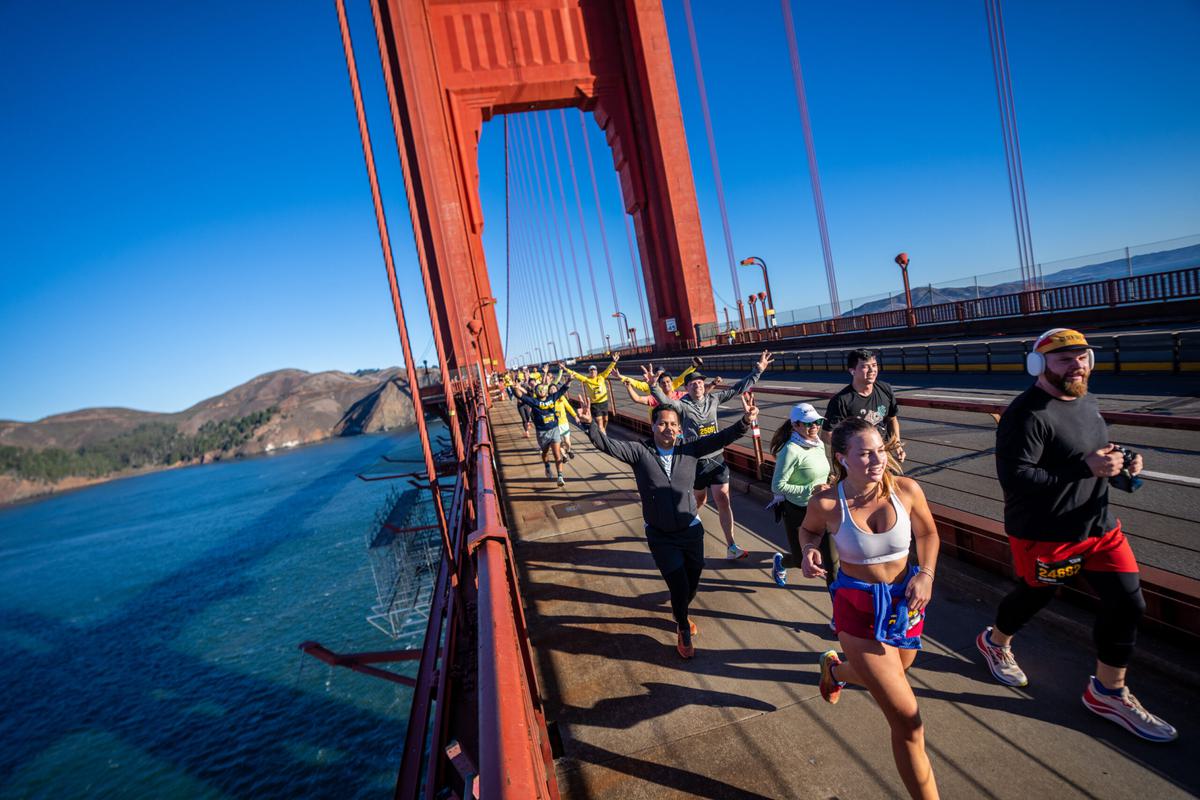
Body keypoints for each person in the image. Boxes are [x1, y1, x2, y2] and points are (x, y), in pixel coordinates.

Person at [976, 328, 1175, 742]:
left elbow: (1090, 455)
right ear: (1039, 364)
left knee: (1128, 603)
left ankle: (1107, 692)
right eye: (1064, 359)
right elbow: (1016, 478)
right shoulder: (1026, 415)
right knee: (1036, 594)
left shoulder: (1088, 401)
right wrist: (1084, 468)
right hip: (1048, 535)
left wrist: (1121, 465)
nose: (1076, 365)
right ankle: (995, 641)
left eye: (1082, 357)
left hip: (1099, 529)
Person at [800, 417, 940, 799]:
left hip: (905, 608)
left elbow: (927, 532)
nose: (877, 459)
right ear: (843, 458)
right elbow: (808, 529)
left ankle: (836, 670)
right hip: (857, 610)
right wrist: (809, 550)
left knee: (896, 669)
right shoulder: (828, 502)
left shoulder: (906, 490)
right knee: (908, 724)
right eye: (865, 453)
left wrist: (925, 574)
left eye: (880, 450)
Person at [577, 391, 759, 659]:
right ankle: (683, 627)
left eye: (673, 424)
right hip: (660, 535)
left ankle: (679, 609)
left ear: (679, 428)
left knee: (694, 577)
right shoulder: (640, 452)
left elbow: (722, 438)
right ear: (653, 426)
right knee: (678, 584)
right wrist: (588, 424)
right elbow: (608, 446)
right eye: (662, 423)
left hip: (691, 530)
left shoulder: (690, 449)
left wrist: (745, 421)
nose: (668, 428)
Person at [652, 351, 773, 560]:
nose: (697, 385)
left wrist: (757, 371)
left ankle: (731, 546)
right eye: (692, 384)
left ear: (704, 385)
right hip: (696, 462)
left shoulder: (714, 399)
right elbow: (666, 402)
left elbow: (738, 388)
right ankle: (681, 522)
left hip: (717, 459)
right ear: (686, 388)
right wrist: (653, 387)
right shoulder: (683, 406)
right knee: (699, 499)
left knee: (723, 499)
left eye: (700, 382)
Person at [767, 403, 831, 592]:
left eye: (818, 422)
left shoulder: (818, 443)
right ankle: (780, 562)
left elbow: (820, 472)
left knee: (831, 559)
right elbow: (777, 486)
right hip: (798, 510)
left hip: (822, 508)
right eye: (809, 424)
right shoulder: (790, 450)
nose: (815, 427)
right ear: (796, 426)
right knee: (798, 559)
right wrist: (811, 489)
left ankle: (839, 610)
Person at [822, 349, 905, 464]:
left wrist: (896, 444)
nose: (872, 370)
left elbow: (891, 418)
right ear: (852, 371)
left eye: (874, 365)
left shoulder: (885, 389)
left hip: (883, 453)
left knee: (892, 481)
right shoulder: (841, 400)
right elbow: (827, 434)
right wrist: (852, 451)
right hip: (859, 460)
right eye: (865, 366)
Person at [514, 381, 571, 486]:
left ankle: (560, 476)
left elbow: (563, 389)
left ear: (546, 391)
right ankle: (547, 467)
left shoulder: (552, 398)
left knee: (557, 454)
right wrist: (516, 387)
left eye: (543, 389)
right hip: (542, 432)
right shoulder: (534, 401)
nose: (542, 391)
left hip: (554, 429)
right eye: (539, 389)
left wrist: (569, 379)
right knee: (545, 453)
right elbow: (520, 396)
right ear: (536, 392)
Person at [562, 355, 619, 433]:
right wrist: (565, 369)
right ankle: (603, 435)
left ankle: (602, 431)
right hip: (595, 404)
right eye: (591, 370)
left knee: (606, 420)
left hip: (604, 402)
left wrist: (614, 362)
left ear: (596, 371)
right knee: (600, 423)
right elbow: (576, 374)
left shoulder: (601, 376)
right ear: (589, 372)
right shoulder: (586, 379)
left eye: (594, 370)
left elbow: (608, 369)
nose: (593, 372)